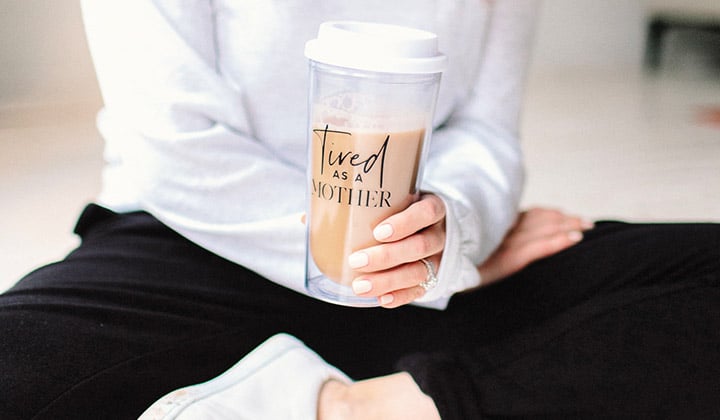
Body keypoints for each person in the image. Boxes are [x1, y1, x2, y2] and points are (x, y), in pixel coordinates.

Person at [1, 1, 718, 419]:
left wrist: (454, 235)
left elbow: (484, 128)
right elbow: (173, 139)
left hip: (419, 257)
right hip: (191, 240)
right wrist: (368, 256)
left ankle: (366, 408)